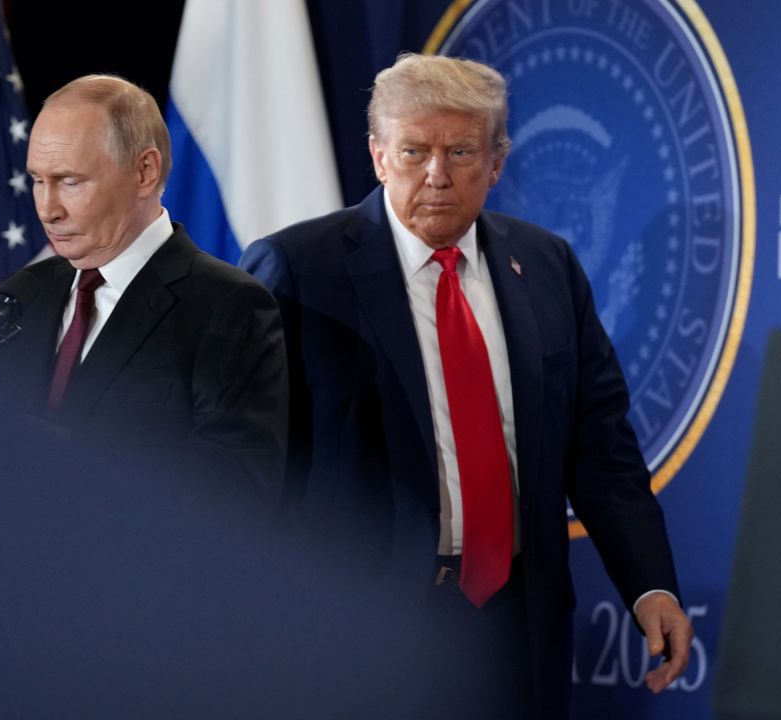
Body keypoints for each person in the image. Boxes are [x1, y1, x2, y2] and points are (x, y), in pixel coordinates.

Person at [241, 53, 692, 718]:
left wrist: (650, 586)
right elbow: (252, 471)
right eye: (415, 150)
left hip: (517, 632)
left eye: (460, 151)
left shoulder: (546, 266)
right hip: (357, 638)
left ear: (498, 160)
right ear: (377, 155)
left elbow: (601, 448)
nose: (437, 175)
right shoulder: (300, 271)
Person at [0, 75, 289, 506]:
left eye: (70, 181)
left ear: (145, 171)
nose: (48, 209)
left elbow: (240, 488)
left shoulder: (227, 306)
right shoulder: (26, 293)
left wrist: (65, 456)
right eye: (37, 180)